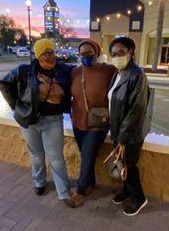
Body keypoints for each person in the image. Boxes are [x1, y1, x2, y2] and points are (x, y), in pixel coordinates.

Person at [0, 38, 81, 208]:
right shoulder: (25, 71)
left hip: (53, 121)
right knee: (36, 154)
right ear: (38, 54)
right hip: (30, 120)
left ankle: (63, 193)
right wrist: (16, 107)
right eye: (46, 53)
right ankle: (39, 182)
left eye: (52, 52)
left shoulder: (64, 70)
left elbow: (82, 73)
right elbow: (4, 83)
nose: (50, 56)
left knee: (56, 158)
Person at [108, 36, 150, 216]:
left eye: (121, 53)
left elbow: (136, 110)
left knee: (130, 166)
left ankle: (139, 199)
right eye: (114, 54)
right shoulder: (118, 73)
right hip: (118, 131)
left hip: (130, 134)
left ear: (131, 52)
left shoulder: (137, 75)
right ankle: (126, 191)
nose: (117, 56)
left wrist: (122, 138)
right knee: (122, 164)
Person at [71, 39, 116, 198]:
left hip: (98, 123)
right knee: (86, 155)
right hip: (78, 122)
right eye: (82, 54)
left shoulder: (109, 70)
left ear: (96, 53)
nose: (85, 57)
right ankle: (91, 184)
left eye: (89, 54)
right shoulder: (76, 72)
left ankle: (80, 190)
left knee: (88, 154)